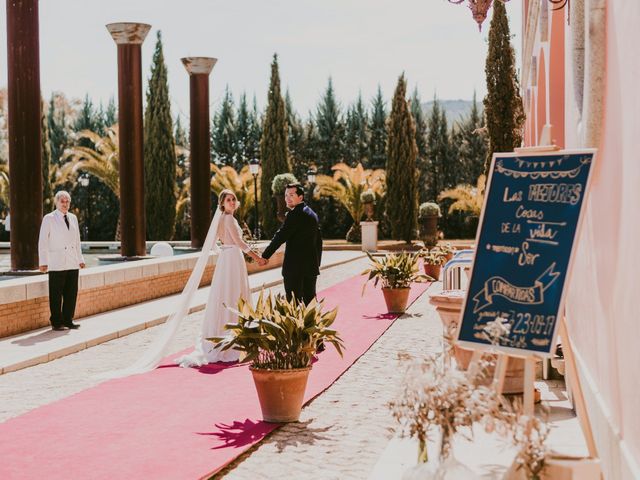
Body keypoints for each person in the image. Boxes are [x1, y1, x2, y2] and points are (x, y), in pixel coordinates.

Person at [176, 189, 263, 367]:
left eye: (233, 199)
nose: (231, 202)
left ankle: (223, 333)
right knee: (234, 295)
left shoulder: (221, 219)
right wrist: (257, 258)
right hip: (232, 258)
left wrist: (224, 251)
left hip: (226, 259)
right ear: (222, 204)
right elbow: (239, 242)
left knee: (225, 294)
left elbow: (213, 241)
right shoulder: (229, 218)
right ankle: (233, 341)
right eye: (228, 200)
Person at [260, 183, 323, 305]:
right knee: (310, 304)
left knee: (292, 305)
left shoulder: (295, 215)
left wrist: (265, 256)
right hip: (310, 267)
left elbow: (280, 237)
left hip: (295, 269)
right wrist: (316, 263)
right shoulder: (312, 213)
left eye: (291, 195)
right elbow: (318, 242)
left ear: (300, 197)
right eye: (286, 195)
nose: (287, 198)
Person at [38, 191, 85, 331]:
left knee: (71, 293)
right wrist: (43, 262)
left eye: (67, 201)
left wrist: (80, 259)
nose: (65, 204)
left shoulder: (73, 218)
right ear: (56, 202)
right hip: (56, 262)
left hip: (72, 261)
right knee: (56, 294)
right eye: (62, 201)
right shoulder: (49, 218)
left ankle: (68, 320)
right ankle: (57, 322)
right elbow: (43, 241)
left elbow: (77, 241)